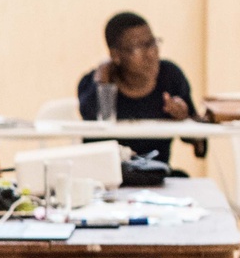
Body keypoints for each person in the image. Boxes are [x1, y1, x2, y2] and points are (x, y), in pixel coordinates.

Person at [77, 12, 205, 165]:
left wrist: (184, 120)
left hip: (156, 178)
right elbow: (89, 119)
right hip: (106, 178)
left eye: (152, 43)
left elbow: (198, 143)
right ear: (116, 55)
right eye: (140, 47)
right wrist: (101, 82)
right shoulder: (94, 83)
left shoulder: (170, 76)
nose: (151, 53)